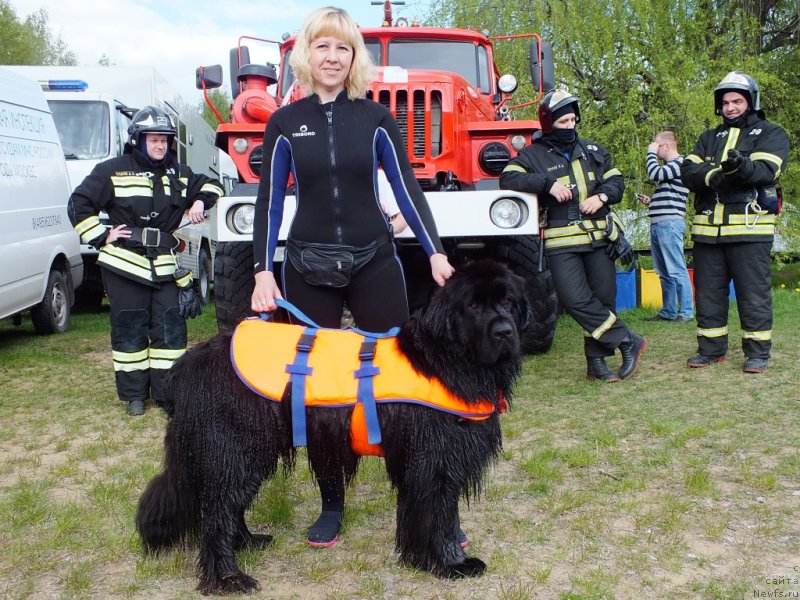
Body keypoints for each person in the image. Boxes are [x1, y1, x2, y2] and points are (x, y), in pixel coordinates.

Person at [250, 6, 455, 548]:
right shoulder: (284, 123)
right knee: (319, 389)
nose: (332, 57)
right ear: (307, 54)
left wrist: (435, 253)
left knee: (402, 375)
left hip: (374, 260)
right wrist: (263, 271)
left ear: (354, 58)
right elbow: (270, 202)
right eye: (323, 46)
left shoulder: (375, 119)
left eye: (343, 47)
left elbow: (406, 187)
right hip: (307, 265)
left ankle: (422, 495)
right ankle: (331, 501)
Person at [70, 106, 224, 416]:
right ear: (138, 140)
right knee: (130, 328)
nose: (160, 146)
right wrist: (101, 236)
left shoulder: (179, 173)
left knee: (170, 330)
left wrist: (198, 200)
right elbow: (78, 203)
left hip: (164, 266)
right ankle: (135, 396)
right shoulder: (112, 170)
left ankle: (168, 394)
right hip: (124, 264)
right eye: (153, 140)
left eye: (164, 140)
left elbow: (214, 185)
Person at [500, 89, 646, 383]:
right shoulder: (532, 154)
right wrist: (547, 184)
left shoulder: (593, 150)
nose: (569, 126)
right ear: (548, 123)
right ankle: (627, 339)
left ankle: (597, 364)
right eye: (562, 122)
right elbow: (508, 178)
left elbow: (617, 181)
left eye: (572, 120)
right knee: (575, 300)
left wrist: (602, 197)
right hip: (562, 242)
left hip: (600, 238)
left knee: (602, 300)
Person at [681, 71, 790, 373]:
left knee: (752, 295)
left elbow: (766, 170)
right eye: (726, 102)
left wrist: (741, 167)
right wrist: (717, 176)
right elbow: (687, 172)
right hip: (707, 232)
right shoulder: (708, 137)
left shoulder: (771, 133)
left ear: (751, 102)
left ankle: (757, 353)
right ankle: (710, 349)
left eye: (737, 101)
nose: (730, 108)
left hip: (749, 231)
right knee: (707, 294)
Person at [639, 131, 694, 323]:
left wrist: (650, 153)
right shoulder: (670, 168)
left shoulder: (680, 164)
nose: (654, 148)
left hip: (669, 224)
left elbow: (654, 173)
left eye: (657, 145)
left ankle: (686, 312)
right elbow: (672, 194)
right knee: (663, 271)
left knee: (676, 269)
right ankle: (668, 312)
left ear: (667, 146)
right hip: (660, 222)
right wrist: (652, 201)